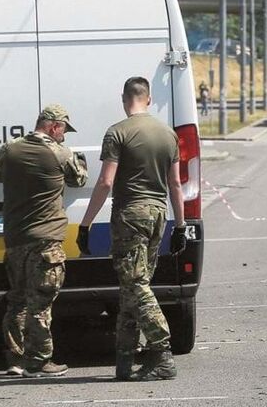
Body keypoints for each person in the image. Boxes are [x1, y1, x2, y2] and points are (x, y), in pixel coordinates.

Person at [78, 77, 188, 381]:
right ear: (148, 100)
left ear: (124, 99)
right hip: (158, 215)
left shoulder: (117, 133)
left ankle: (162, 350)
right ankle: (124, 362)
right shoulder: (168, 134)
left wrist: (85, 224)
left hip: (130, 215)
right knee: (131, 288)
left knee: (136, 284)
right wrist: (180, 226)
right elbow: (176, 184)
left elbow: (106, 182)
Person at [0, 105, 88, 377]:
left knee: (17, 300)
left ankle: (15, 359)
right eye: (64, 129)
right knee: (41, 302)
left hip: (16, 238)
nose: (64, 135)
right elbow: (78, 179)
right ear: (54, 126)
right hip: (46, 242)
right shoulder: (59, 152)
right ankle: (40, 360)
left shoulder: (10, 149)